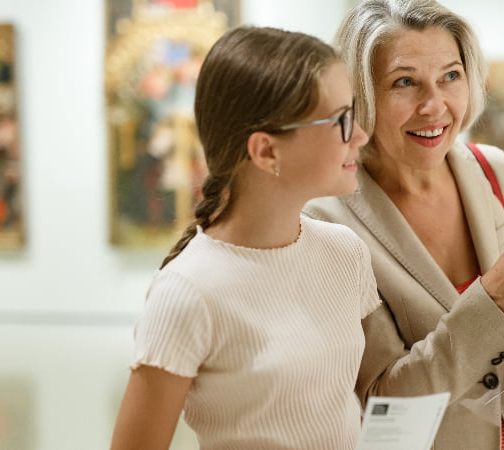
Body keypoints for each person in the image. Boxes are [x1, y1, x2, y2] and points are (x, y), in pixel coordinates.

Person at [304, 1, 504, 448]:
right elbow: (385, 398)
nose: (434, 105)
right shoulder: (328, 220)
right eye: (405, 82)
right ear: (360, 92)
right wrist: (494, 297)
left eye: (450, 76)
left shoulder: (492, 171)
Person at [111, 25, 378, 450]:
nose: (361, 135)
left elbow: (349, 406)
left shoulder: (346, 253)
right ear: (267, 151)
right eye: (342, 120)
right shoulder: (186, 292)